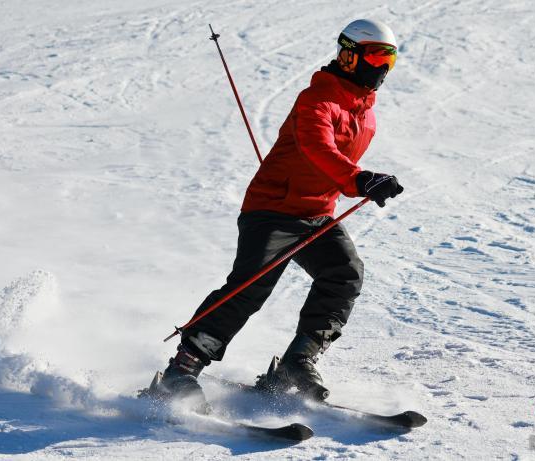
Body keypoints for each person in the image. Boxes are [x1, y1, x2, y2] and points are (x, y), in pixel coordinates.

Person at [150, 19, 404, 406]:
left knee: (344, 273)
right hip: (272, 209)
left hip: (316, 214)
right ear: (349, 56)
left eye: (390, 59)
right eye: (375, 56)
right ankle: (181, 370)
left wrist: (361, 181)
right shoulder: (316, 99)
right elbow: (318, 148)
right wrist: (359, 179)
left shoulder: (365, 113)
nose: (382, 67)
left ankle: (297, 362)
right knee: (250, 286)